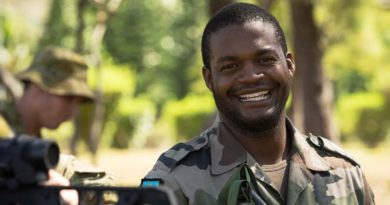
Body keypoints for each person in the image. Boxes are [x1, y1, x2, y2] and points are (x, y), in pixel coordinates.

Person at [143, 3, 375, 205]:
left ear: (289, 64)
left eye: (265, 60)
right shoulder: (173, 182)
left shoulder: (345, 173)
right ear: (209, 79)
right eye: (231, 66)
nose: (251, 76)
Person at [0, 46, 113, 204]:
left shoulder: (32, 144)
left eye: (78, 103)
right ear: (38, 87)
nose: (73, 112)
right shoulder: (3, 130)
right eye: (68, 99)